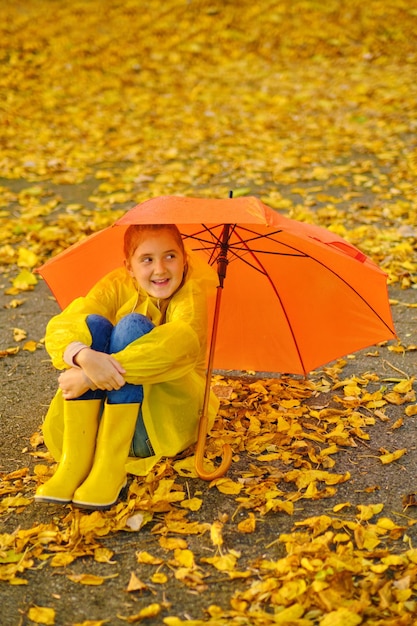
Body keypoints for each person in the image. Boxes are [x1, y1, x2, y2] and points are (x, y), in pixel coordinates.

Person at [34, 224, 219, 510]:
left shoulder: (189, 296)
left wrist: (89, 376)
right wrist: (81, 355)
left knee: (132, 327)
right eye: (147, 259)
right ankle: (77, 462)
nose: (160, 269)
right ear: (129, 267)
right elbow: (68, 322)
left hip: (153, 429)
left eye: (170, 256)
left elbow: (174, 347)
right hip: (98, 427)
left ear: (184, 258)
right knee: (92, 325)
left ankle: (111, 465)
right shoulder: (118, 284)